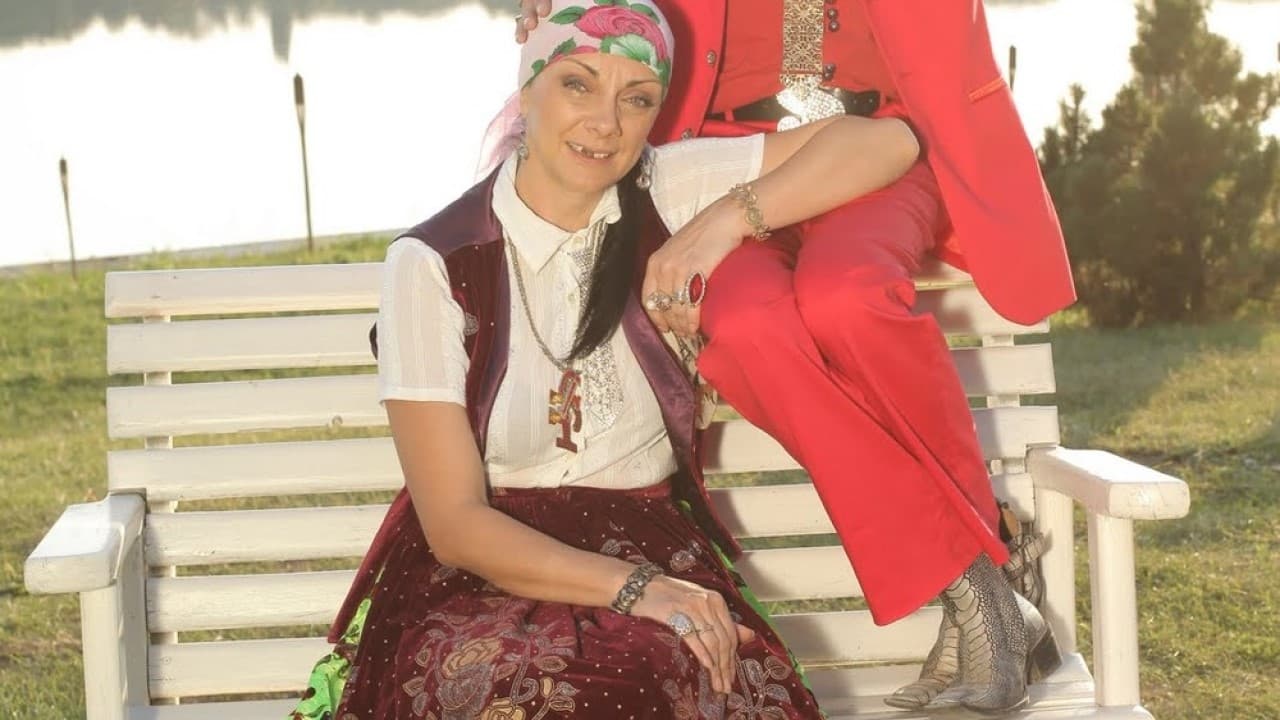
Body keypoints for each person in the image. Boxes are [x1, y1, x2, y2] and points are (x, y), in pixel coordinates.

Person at [285, 1, 922, 717]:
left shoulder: (668, 189)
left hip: (648, 538)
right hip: (482, 568)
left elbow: (887, 142)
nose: (605, 123)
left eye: (637, 98)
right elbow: (456, 523)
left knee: (673, 668)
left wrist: (721, 223)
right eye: (577, 85)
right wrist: (638, 590)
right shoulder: (433, 263)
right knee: (527, 688)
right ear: (527, 89)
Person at [515, 0, 1072, 715]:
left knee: (850, 300)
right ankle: (985, 576)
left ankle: (980, 587)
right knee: (746, 326)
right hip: (726, 158)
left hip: (874, 150)